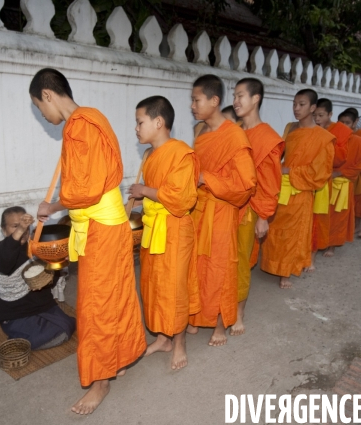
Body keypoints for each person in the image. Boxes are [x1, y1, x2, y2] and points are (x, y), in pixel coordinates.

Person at [30, 68, 146, 415]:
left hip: (100, 228)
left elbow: (84, 189)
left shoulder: (80, 126)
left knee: (96, 304)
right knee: (117, 294)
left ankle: (100, 381)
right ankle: (120, 357)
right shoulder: (94, 118)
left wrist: (53, 205)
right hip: (106, 225)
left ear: (48, 95)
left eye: (39, 107)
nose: (43, 115)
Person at [127, 96, 200, 370]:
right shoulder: (151, 155)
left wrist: (145, 191)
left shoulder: (181, 152)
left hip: (175, 229)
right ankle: (162, 338)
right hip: (154, 228)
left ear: (158, 122)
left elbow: (182, 199)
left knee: (174, 288)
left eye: (140, 122)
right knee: (153, 285)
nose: (136, 128)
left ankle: (179, 343)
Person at [187, 74, 256, 347]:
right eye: (191, 100)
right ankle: (197, 316)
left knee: (219, 268)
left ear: (214, 101)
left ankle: (219, 324)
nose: (192, 105)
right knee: (196, 266)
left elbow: (246, 184)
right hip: (199, 209)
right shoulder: (199, 131)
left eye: (196, 100)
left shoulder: (234, 135)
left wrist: (208, 179)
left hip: (222, 210)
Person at [261, 89, 335, 289]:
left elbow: (320, 172)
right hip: (281, 187)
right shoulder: (290, 128)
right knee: (275, 229)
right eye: (294, 104)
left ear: (312, 108)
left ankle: (285, 272)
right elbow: (281, 155)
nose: (296, 108)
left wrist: (288, 171)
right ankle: (272, 264)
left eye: (301, 104)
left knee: (292, 233)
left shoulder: (323, 138)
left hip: (300, 191)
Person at [230, 78, 284, 336]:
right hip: (225, 205)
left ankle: (239, 312)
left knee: (240, 261)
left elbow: (270, 181)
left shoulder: (268, 138)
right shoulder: (233, 132)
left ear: (255, 99)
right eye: (234, 95)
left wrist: (263, 216)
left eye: (240, 95)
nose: (235, 101)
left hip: (249, 209)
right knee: (220, 258)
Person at [0, 206, 76, 350]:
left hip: (42, 306)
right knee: (51, 334)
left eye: (25, 226)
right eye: (15, 226)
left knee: (68, 324)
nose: (22, 231)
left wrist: (58, 262)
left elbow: (49, 281)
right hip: (16, 313)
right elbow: (5, 264)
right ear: (4, 230)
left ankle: (36, 333)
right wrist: (20, 230)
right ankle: (22, 339)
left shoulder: (36, 248)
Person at [323, 109, 361, 253]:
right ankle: (321, 241)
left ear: (355, 123)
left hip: (344, 185)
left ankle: (332, 245)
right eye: (341, 122)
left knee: (338, 217)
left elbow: (359, 167)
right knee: (323, 214)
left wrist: (339, 173)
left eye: (347, 123)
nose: (343, 125)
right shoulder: (330, 137)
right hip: (326, 181)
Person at [312, 98, 350, 261]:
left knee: (331, 216)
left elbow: (341, 158)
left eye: (321, 115)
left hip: (332, 178)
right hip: (313, 177)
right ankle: (313, 246)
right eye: (315, 115)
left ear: (330, 114)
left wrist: (326, 141)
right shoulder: (311, 129)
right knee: (314, 216)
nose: (317, 119)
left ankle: (329, 244)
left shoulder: (341, 130)